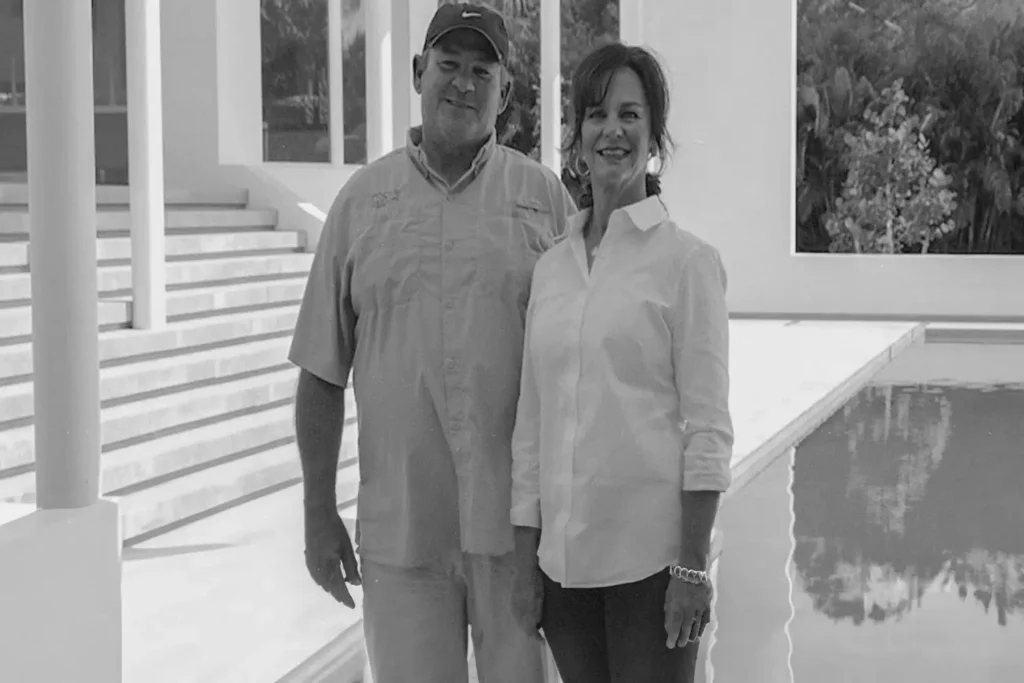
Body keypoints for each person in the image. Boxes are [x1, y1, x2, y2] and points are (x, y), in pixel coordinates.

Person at [287, 3, 576, 682]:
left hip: (520, 536)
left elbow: (578, 363)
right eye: (449, 65)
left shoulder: (545, 200)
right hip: (403, 531)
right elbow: (322, 371)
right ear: (420, 72)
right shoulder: (361, 203)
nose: (464, 84)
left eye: (484, 71)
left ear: (505, 92)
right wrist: (316, 510)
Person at [508, 42, 734, 683]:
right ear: (576, 134)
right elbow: (532, 427)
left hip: (651, 573)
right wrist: (527, 563)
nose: (613, 130)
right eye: (597, 113)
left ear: (653, 134)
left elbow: (708, 429)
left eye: (630, 114)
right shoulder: (551, 267)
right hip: (564, 577)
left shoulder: (687, 264)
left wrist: (692, 568)